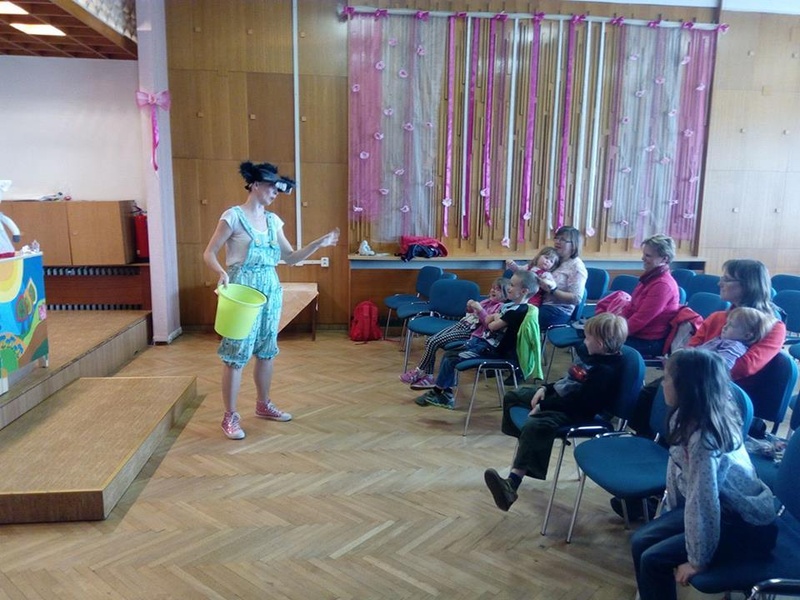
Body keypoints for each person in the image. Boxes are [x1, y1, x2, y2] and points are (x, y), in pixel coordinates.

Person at [203, 161, 340, 440]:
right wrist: (220, 273)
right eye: (271, 187)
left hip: (270, 288)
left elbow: (290, 258)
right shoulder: (232, 217)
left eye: (278, 189)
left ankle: (263, 404)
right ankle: (230, 416)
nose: (275, 193)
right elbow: (209, 253)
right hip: (241, 290)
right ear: (255, 185)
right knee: (236, 352)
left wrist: (317, 244)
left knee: (267, 350)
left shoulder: (273, 221)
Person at [631, 349, 778, 600]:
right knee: (640, 541)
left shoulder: (704, 438)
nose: (663, 383)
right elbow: (678, 473)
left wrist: (697, 560)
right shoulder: (685, 414)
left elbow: (703, 501)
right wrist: (673, 515)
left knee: (653, 559)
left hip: (746, 524)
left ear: (686, 387)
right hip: (721, 509)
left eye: (667, 378)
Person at [483, 312, 629, 511]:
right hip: (562, 399)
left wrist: (544, 406)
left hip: (577, 412)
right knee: (513, 397)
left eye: (588, 338)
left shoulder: (605, 372)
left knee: (536, 426)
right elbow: (568, 381)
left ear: (601, 344)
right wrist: (546, 388)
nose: (584, 341)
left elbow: (581, 404)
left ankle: (512, 484)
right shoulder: (592, 355)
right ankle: (528, 443)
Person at [414, 270, 537, 410]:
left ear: (524, 291)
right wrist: (495, 317)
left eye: (513, 285)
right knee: (450, 354)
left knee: (451, 357)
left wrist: (495, 317)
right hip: (485, 344)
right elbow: (490, 319)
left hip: (493, 351)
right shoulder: (511, 307)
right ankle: (443, 393)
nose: (509, 288)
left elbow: (491, 326)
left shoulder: (517, 311)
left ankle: (441, 393)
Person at [399, 277, 510, 390]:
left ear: (506, 295)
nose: (493, 290)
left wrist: (480, 309)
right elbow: (471, 314)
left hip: (469, 331)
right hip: (461, 324)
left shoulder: (500, 308)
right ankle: (429, 376)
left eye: (498, 289)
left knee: (433, 341)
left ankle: (419, 371)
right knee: (430, 340)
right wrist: (469, 307)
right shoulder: (486, 301)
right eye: (492, 288)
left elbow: (488, 325)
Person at [687, 259, 786, 380]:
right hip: (700, 380)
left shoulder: (774, 328)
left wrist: (695, 365)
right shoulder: (716, 317)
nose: (720, 284)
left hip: (731, 388)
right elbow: (690, 350)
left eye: (727, 279)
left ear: (748, 285)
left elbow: (745, 367)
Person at [614, 234, 680, 357]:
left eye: (648, 255)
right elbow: (629, 308)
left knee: (597, 346)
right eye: (644, 254)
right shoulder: (649, 278)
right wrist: (613, 327)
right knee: (591, 341)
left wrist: (613, 334)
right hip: (636, 334)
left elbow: (640, 320)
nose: (643, 258)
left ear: (664, 259)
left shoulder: (663, 285)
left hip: (649, 341)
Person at [536, 226, 588, 330]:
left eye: (563, 239)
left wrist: (553, 291)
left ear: (573, 245)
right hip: (540, 302)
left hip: (557, 310)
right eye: (556, 238)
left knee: (522, 317)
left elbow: (576, 299)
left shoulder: (577, 267)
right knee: (512, 309)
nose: (557, 242)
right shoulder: (554, 259)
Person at [697, 306, 776, 370]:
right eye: (726, 323)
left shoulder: (734, 346)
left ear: (747, 336)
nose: (724, 327)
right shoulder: (719, 340)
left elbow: (721, 367)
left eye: (731, 325)